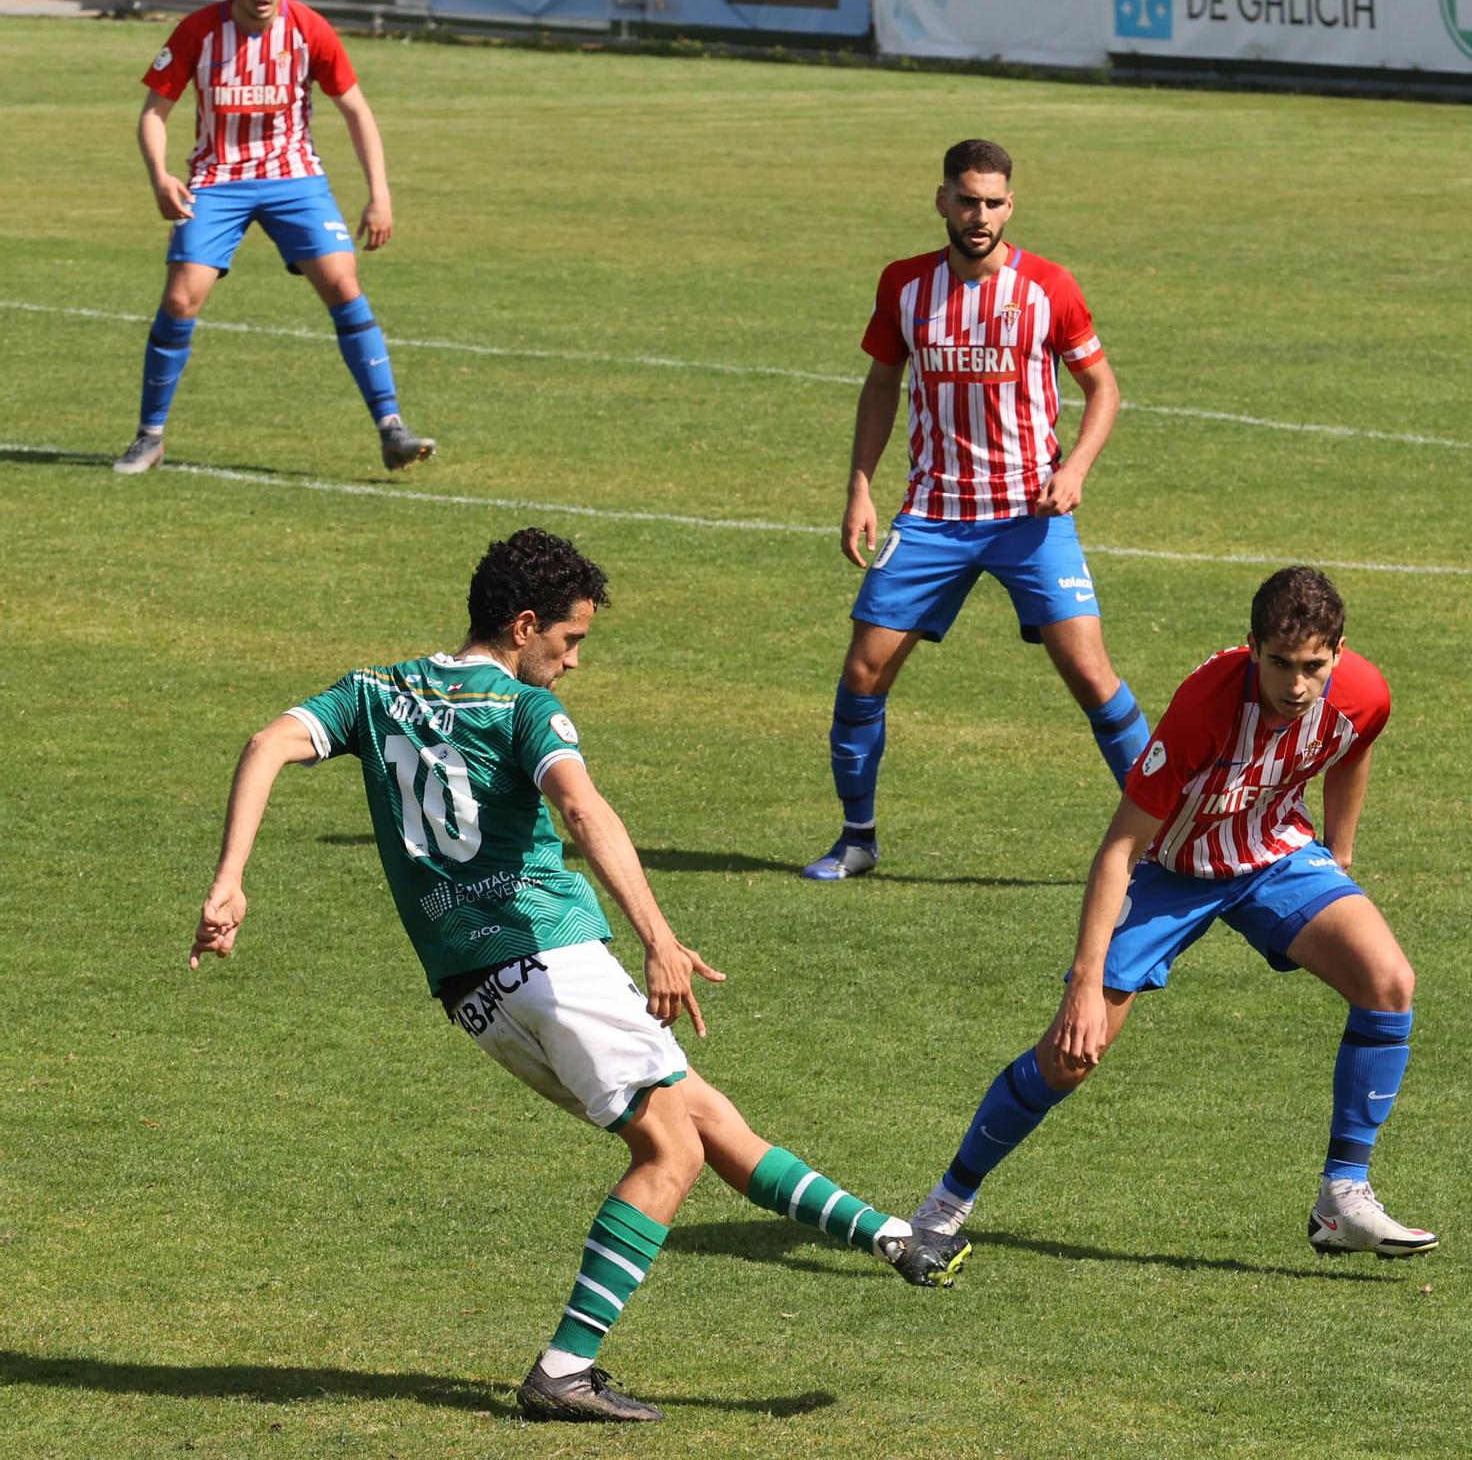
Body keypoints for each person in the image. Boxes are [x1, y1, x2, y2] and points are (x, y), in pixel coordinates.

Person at [189, 528, 968, 1424]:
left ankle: (894, 1238)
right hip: (552, 960)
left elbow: (264, 743)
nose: (573, 661)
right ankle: (563, 1369)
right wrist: (660, 937)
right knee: (670, 1151)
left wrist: (229, 880)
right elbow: (581, 807)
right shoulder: (524, 713)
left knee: (701, 1117)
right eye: (571, 641)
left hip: (473, 992)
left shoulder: (375, 692)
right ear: (525, 626)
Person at [910, 567, 1438, 1259]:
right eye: (1279, 664)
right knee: (1071, 1055)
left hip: (1272, 853)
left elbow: (1353, 746)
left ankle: (1343, 1197)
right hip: (1170, 869)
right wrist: (1082, 985)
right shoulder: (1205, 708)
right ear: (1252, 647)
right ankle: (945, 1201)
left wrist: (1339, 851)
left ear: (1338, 653)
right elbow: (1118, 850)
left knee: (1389, 982)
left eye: (1313, 666)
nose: (1295, 685)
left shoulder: (1365, 694)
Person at [801, 138, 1150, 881]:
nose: (979, 214)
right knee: (863, 672)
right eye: (967, 200)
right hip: (932, 515)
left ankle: (1165, 834)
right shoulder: (903, 285)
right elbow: (880, 386)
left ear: (1010, 206)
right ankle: (857, 839)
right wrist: (860, 487)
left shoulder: (1050, 288)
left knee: (1092, 676)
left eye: (993, 202)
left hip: (1030, 517)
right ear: (942, 202)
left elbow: (1105, 389)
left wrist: (1077, 467)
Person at [115, 0, 433, 476]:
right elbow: (153, 112)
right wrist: (161, 177)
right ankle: (150, 436)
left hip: (294, 178)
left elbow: (357, 111)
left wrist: (380, 195)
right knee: (181, 300)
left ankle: (391, 428)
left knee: (343, 283)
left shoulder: (310, 30)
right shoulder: (197, 32)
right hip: (218, 179)